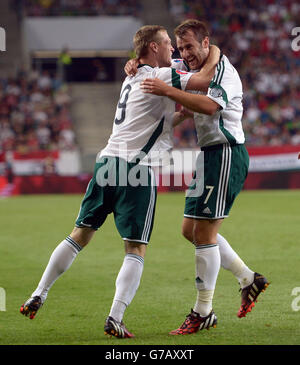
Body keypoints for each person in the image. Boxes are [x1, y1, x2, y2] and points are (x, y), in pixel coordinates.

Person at [20, 24, 220, 339]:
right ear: (153, 48)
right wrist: (216, 52)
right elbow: (206, 79)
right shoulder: (162, 76)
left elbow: (161, 118)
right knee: (135, 249)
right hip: (136, 170)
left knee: (80, 235)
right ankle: (115, 316)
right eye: (168, 44)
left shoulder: (132, 76)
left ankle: (39, 293)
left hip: (106, 162)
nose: (174, 50)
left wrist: (183, 114)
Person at [139, 19, 270, 335]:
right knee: (190, 230)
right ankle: (248, 278)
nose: (185, 53)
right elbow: (180, 78)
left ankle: (203, 311)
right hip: (209, 155)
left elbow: (211, 106)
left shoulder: (223, 70)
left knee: (206, 234)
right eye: (180, 47)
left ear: (206, 43)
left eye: (189, 47)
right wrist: (136, 62)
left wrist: (170, 91)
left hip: (226, 152)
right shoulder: (196, 68)